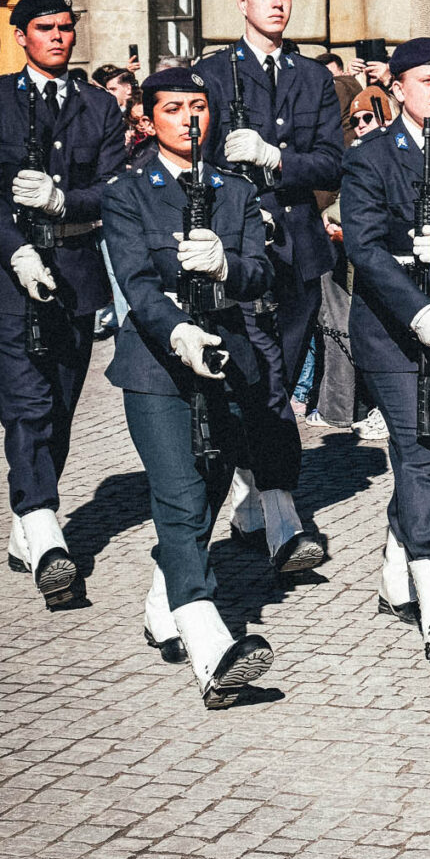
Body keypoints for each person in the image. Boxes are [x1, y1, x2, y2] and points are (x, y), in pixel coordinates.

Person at [100, 68, 275, 706]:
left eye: (198, 106)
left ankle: (163, 605)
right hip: (157, 364)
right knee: (178, 495)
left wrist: (228, 267)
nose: (188, 118)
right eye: (173, 108)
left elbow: (261, 273)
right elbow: (137, 284)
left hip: (225, 358)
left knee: (207, 492)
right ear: (148, 120)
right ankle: (211, 646)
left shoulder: (236, 191)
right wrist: (179, 330)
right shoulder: (128, 192)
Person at [0, 0, 126, 601]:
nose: (58, 37)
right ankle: (45, 531)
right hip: (12, 275)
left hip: (75, 275)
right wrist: (17, 250)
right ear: (20, 36)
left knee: (58, 405)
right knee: (25, 405)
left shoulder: (98, 105)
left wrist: (64, 202)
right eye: (45, 28)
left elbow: (113, 187)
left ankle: (25, 526)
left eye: (65, 27)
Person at [195, 0, 342, 574]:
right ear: (241, 1)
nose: (278, 4)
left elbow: (333, 162)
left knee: (277, 376)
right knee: (257, 379)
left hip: (299, 251)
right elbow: (196, 164)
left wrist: (276, 158)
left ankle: (255, 501)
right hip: (240, 252)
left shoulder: (312, 77)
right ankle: (279, 510)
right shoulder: (211, 73)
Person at [341, 38, 430, 662]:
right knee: (422, 449)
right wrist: (418, 306)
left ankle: (396, 572)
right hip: (393, 331)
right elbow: (365, 248)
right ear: (397, 88)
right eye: (428, 81)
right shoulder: (371, 156)